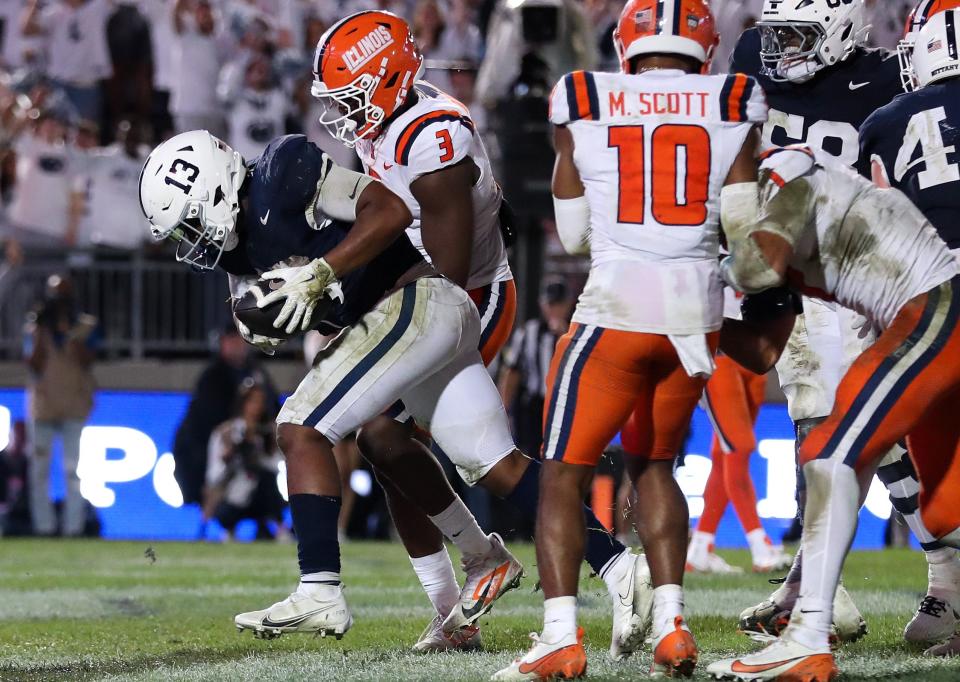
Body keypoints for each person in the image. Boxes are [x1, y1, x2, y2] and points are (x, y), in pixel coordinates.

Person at [312, 10, 643, 656]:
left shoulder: (436, 142)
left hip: (468, 297)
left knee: (485, 462)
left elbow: (447, 275)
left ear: (386, 81)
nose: (344, 114)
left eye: (352, 96)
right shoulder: (387, 125)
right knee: (382, 440)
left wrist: (350, 311)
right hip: (414, 294)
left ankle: (608, 565)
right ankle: (462, 598)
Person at [139, 129, 525, 643]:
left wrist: (321, 272)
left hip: (414, 304)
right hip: (386, 321)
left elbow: (388, 213)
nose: (191, 242)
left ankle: (321, 588)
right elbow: (253, 304)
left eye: (189, 225)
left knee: (301, 427)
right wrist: (261, 316)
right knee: (412, 449)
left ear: (210, 191)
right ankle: (601, 566)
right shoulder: (238, 247)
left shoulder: (282, 170)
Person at [493, 0, 766, 677]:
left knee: (562, 473)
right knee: (654, 467)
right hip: (694, 318)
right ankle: (673, 627)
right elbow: (745, 228)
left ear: (626, 46)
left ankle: (561, 636)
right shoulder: (732, 98)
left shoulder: (583, 94)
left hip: (615, 311)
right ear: (704, 47)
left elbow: (575, 235)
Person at [731, 0, 960, 645]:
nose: (778, 50)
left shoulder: (886, 90)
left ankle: (933, 579)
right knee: (822, 420)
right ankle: (814, 582)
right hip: (798, 269)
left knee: (863, 432)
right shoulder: (752, 65)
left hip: (864, 277)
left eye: (796, 35)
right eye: (774, 33)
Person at [706, 144, 960, 679]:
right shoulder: (758, 211)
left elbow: (751, 268)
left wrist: (685, 274)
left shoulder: (786, 168)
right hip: (919, 315)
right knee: (944, 512)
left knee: (829, 452)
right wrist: (705, 321)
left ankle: (807, 634)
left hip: (936, 303)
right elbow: (762, 350)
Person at [859, 2, 960, 654]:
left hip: (932, 309)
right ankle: (948, 590)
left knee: (861, 427)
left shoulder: (887, 122)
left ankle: (811, 612)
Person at [687, 288, 791, 574]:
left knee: (725, 453)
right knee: (739, 446)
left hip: (757, 353)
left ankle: (699, 547)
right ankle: (760, 544)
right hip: (720, 351)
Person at [23, 274, 99, 537]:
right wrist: (41, 331)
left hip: (73, 403)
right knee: (39, 469)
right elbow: (32, 364)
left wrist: (71, 334)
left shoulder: (84, 324)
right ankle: (43, 527)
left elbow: (89, 360)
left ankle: (73, 527)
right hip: (43, 404)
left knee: (73, 470)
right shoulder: (36, 325)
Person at [172, 325, 277, 509]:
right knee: (221, 476)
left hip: (255, 447)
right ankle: (218, 518)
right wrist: (236, 433)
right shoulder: (212, 376)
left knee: (265, 473)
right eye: (231, 340)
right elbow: (206, 420)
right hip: (211, 447)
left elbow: (273, 408)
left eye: (240, 339)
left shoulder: (257, 372)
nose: (236, 345)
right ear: (222, 343)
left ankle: (268, 518)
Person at [498, 278, 572, 458]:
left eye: (559, 304)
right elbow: (513, 371)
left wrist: (564, 335)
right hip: (534, 407)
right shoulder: (528, 332)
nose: (554, 309)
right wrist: (503, 409)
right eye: (551, 304)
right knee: (531, 456)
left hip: (566, 405)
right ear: (542, 305)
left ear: (568, 305)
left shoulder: (575, 332)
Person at [204, 382, 286, 540]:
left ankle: (279, 529)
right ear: (242, 403)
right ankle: (228, 531)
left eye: (261, 402)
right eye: (252, 401)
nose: (257, 407)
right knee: (225, 507)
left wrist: (258, 451)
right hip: (232, 495)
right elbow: (213, 475)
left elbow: (277, 467)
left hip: (262, 494)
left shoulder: (269, 432)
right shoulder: (225, 432)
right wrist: (230, 457)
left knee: (267, 481)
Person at [21, 0, 113, 123]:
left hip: (85, 86)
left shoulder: (97, 7)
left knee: (83, 132)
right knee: (52, 131)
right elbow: (27, 29)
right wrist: (33, 3)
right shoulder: (55, 12)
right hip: (57, 84)